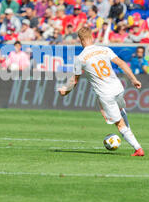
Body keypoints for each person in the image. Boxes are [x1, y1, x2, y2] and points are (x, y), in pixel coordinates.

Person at [58, 27, 144, 156]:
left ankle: (138, 149)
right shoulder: (105, 49)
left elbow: (74, 81)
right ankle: (129, 133)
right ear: (91, 37)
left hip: (106, 94)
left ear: (81, 40)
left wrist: (65, 91)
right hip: (118, 88)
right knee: (120, 111)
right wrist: (134, 79)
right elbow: (121, 63)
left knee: (119, 124)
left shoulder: (80, 58)